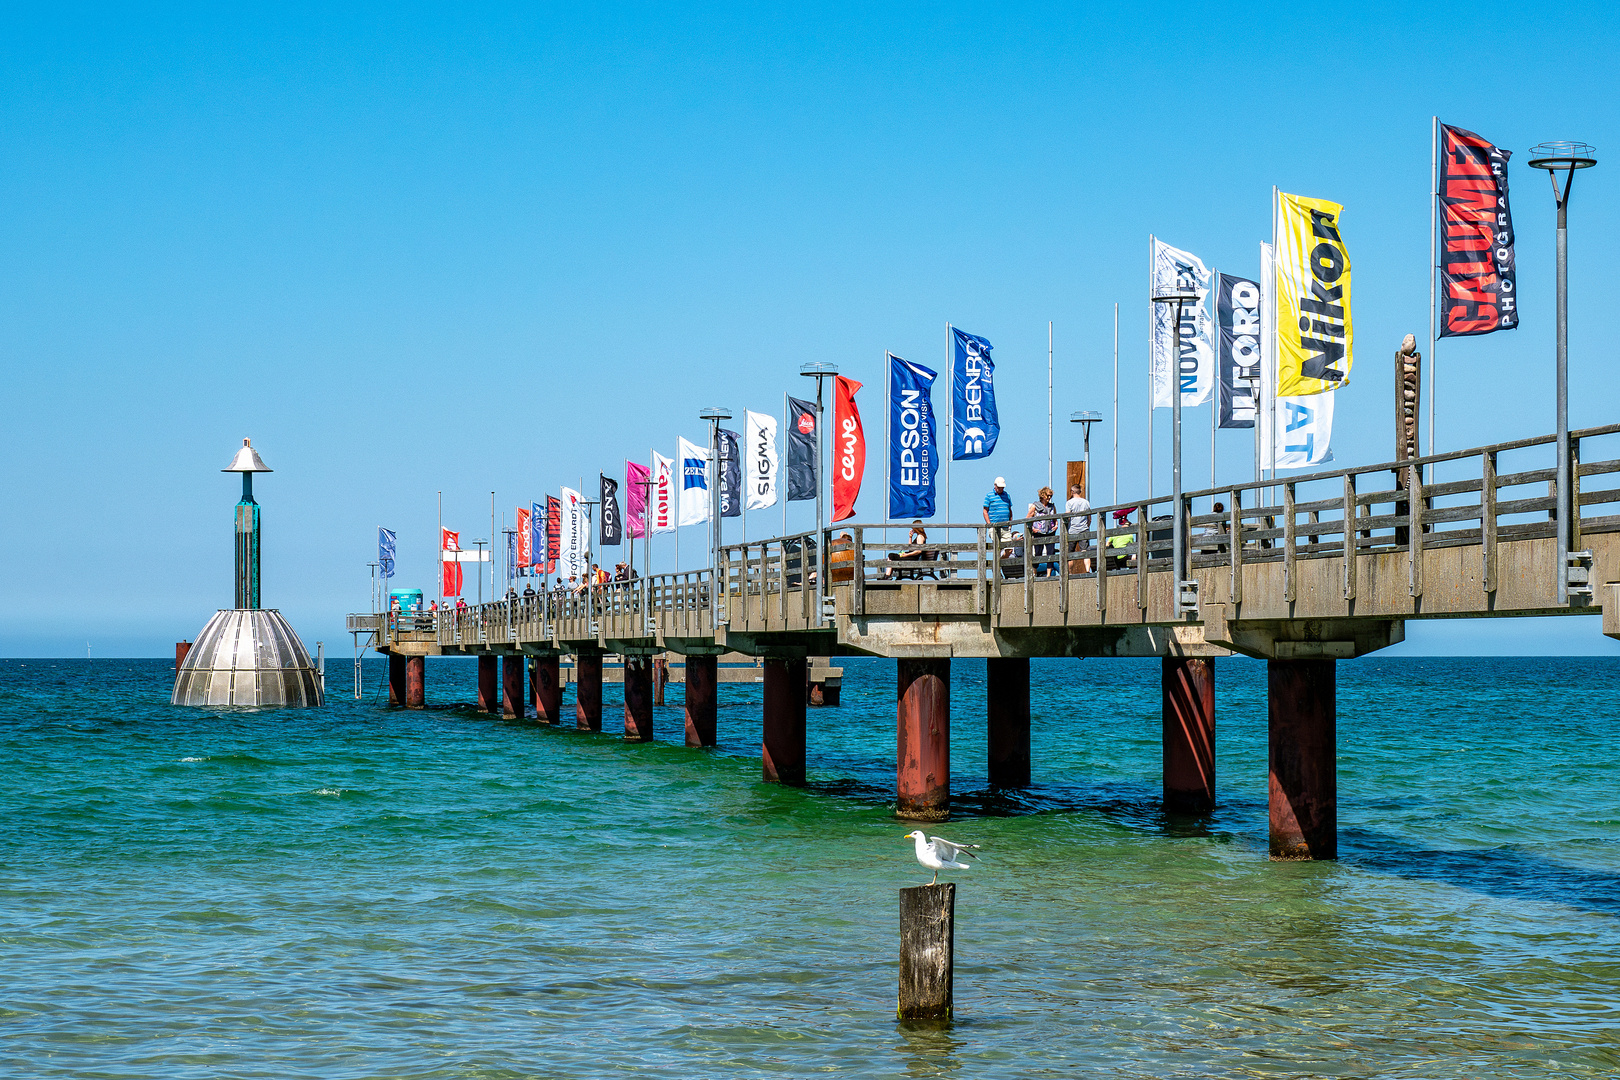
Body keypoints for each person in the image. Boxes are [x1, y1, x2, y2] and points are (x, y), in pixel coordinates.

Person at [1027, 486, 1059, 576]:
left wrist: (1056, 525)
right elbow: (1028, 518)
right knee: (1038, 552)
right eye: (1048, 496)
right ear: (1043, 495)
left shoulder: (1052, 506)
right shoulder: (1035, 506)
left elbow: (1055, 518)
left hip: (1050, 532)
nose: (1049, 498)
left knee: (1050, 553)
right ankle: (1034, 572)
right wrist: (1032, 528)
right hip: (1038, 532)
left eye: (1050, 496)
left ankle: (1049, 575)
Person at [1065, 483, 1092, 574]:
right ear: (1080, 491)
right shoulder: (1086, 502)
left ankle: (1069, 572)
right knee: (1085, 551)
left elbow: (1067, 516)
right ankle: (1087, 570)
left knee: (1070, 553)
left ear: (1072, 491)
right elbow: (1089, 518)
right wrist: (1087, 525)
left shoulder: (1069, 503)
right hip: (1084, 529)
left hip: (1072, 530)